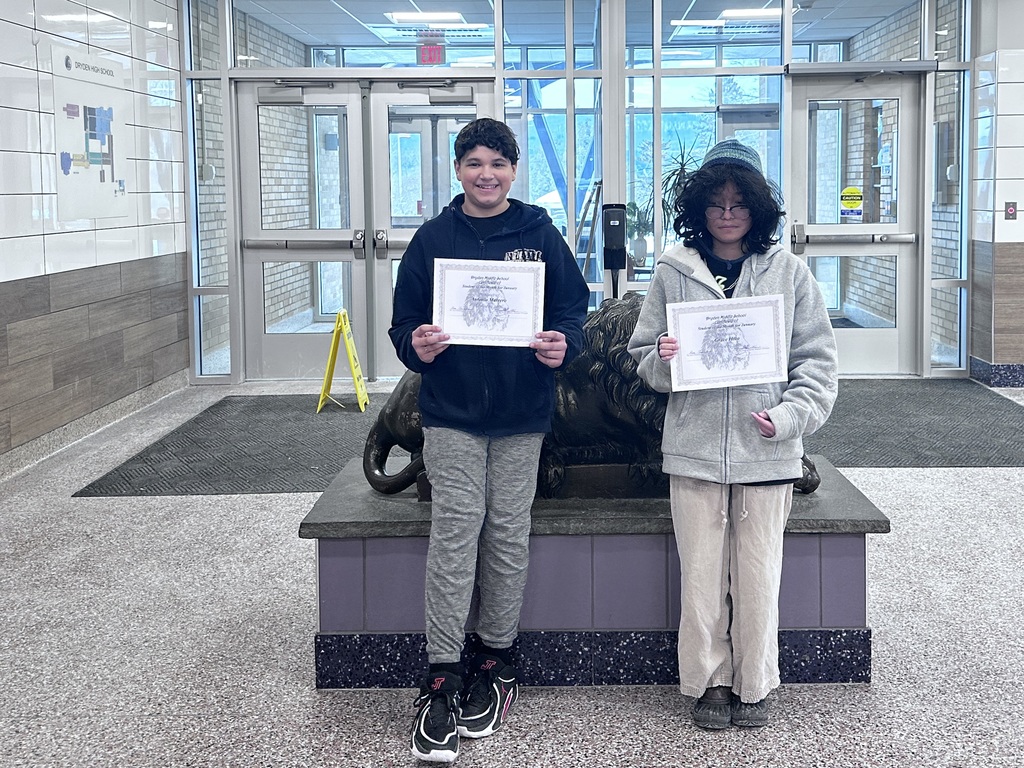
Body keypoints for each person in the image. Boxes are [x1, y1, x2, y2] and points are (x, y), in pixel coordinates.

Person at [389, 117, 590, 763]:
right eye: (474, 162)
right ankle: (443, 673)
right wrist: (415, 345)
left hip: (521, 413)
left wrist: (564, 343)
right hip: (449, 412)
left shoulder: (537, 233)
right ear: (458, 170)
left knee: (506, 532)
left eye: (497, 163)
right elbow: (404, 325)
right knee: (455, 532)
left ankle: (498, 660)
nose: (486, 174)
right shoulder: (434, 238)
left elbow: (570, 311)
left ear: (513, 169)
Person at [627, 139, 838, 730]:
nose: (727, 214)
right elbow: (642, 356)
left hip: (765, 449)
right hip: (693, 449)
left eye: (739, 203)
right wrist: (665, 359)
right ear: (698, 207)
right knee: (699, 576)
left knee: (758, 572)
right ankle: (710, 682)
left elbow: (817, 364)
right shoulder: (673, 271)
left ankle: (756, 681)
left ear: (758, 208)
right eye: (716, 203)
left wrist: (790, 417)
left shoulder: (789, 273)